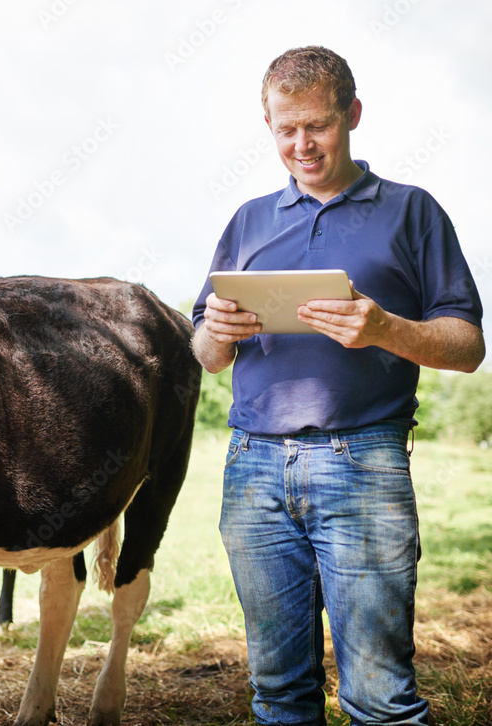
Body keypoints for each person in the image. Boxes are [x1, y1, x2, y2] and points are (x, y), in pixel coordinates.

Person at [191, 46, 484, 726]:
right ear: (267, 124)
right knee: (279, 695)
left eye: (317, 125)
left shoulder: (413, 213)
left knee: (380, 699)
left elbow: (468, 346)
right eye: (285, 129)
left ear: (352, 114)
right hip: (253, 473)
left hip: (367, 466)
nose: (302, 145)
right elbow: (204, 353)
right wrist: (220, 332)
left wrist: (384, 328)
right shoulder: (247, 222)